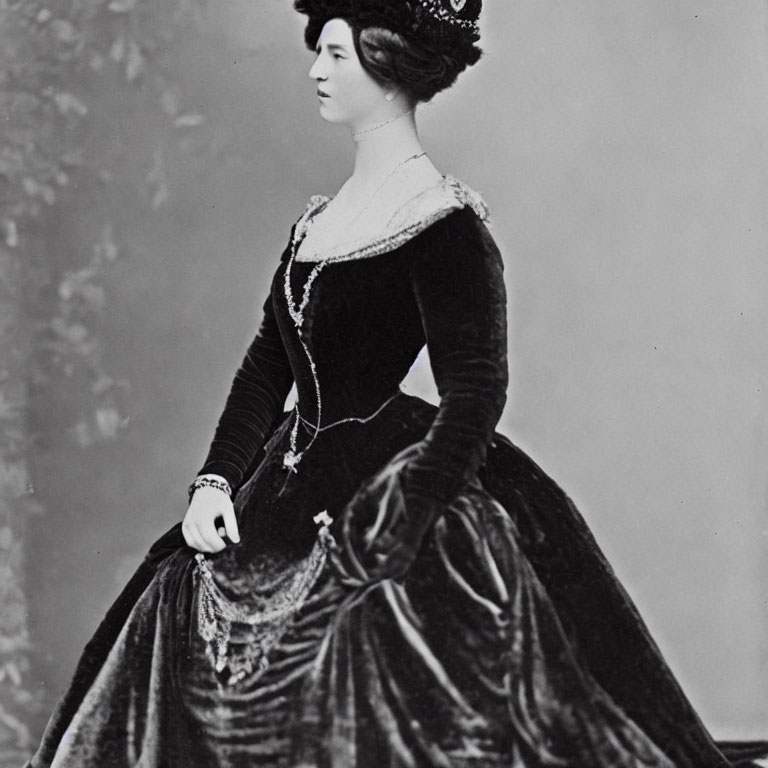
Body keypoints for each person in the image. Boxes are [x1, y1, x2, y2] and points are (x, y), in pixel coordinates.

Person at [25, 1, 768, 767]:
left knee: (373, 634)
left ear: (387, 66)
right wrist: (215, 483)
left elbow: (475, 392)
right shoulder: (316, 223)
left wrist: (411, 505)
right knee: (172, 602)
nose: (316, 68)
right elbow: (265, 370)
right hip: (278, 485)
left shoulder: (444, 226)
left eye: (337, 55)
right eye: (319, 50)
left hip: (392, 485)